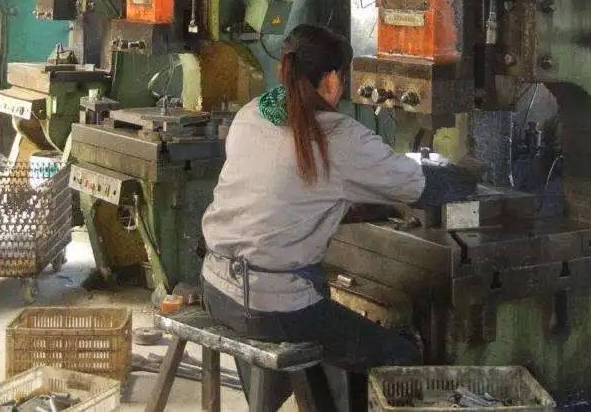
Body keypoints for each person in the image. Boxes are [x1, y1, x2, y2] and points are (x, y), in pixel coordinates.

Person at [200, 23, 478, 412]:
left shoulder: (252, 114)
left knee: (329, 331)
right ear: (332, 79)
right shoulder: (339, 137)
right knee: (402, 355)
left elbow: (282, 194)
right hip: (272, 308)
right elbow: (422, 187)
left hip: (215, 288)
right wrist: (469, 175)